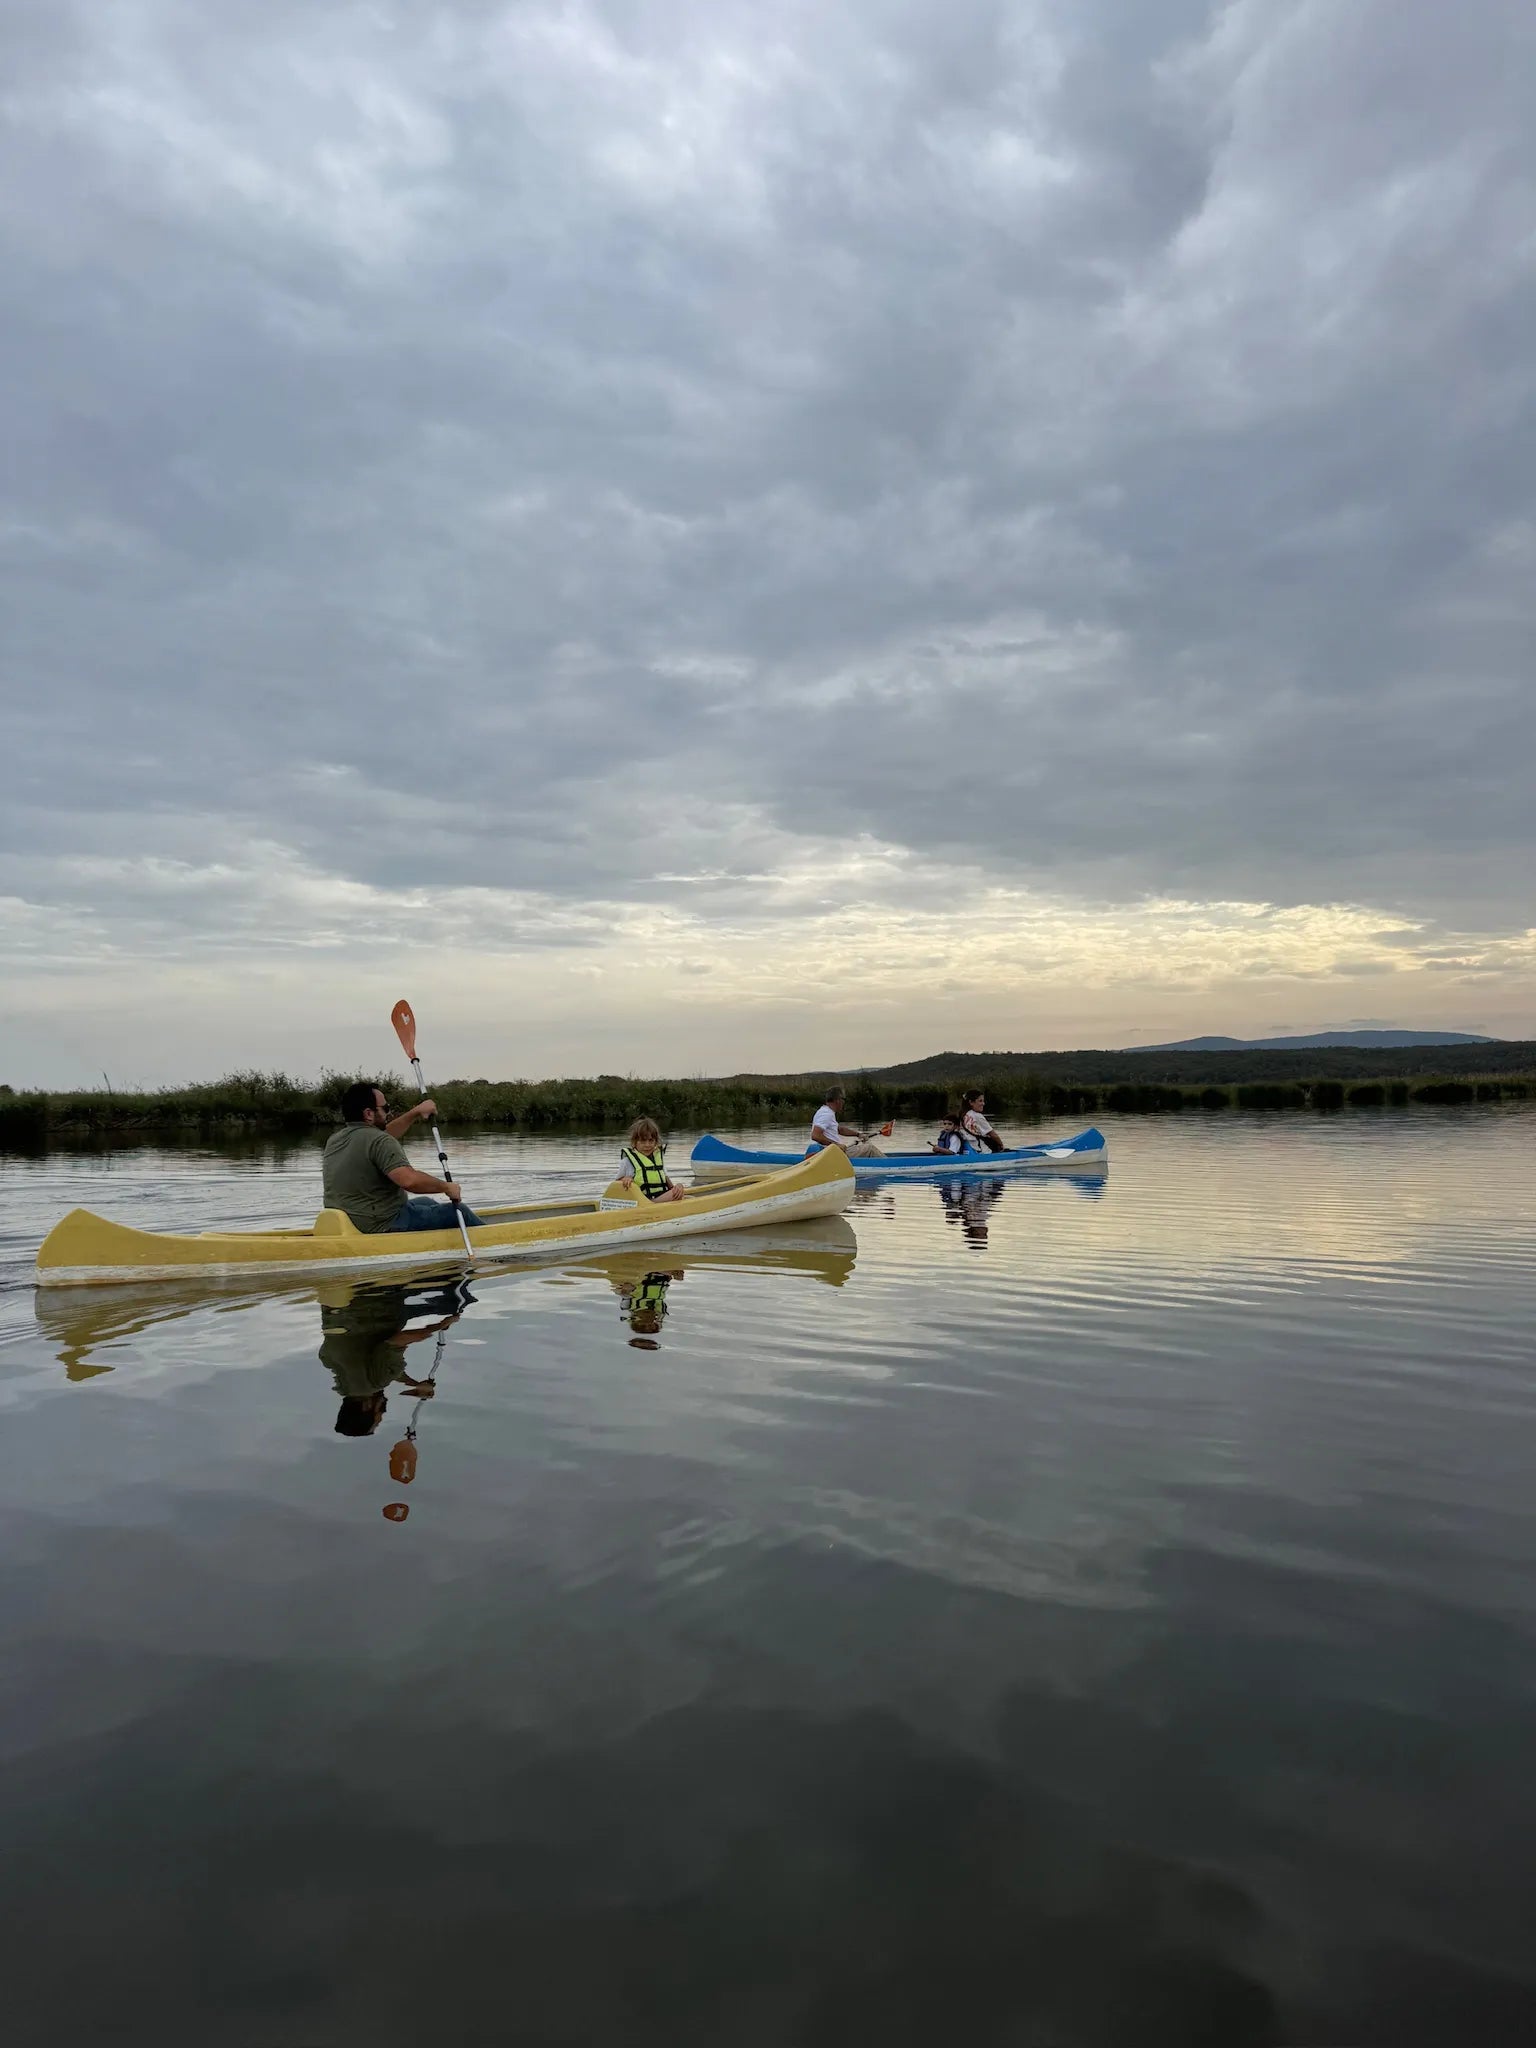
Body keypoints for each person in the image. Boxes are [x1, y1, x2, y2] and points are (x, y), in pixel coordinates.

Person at [322, 1081, 484, 1234]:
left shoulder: (335, 1140)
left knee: (427, 1202)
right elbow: (409, 1181)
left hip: (350, 1219)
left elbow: (382, 1138)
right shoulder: (379, 1141)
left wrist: (415, 1113)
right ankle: (490, 1239)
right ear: (369, 1113)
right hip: (381, 1224)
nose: (389, 1112)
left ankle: (439, 1239)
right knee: (457, 1211)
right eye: (385, 1108)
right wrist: (447, 1187)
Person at [319, 1279, 464, 1437]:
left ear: (366, 1407)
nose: (384, 1408)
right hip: (348, 1305)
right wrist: (413, 1383)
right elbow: (381, 1367)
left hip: (379, 1297)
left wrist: (441, 1325)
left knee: (456, 1301)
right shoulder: (342, 1381)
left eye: (380, 1413)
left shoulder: (376, 1382)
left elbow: (399, 1340)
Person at [617, 1118, 691, 1203]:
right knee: (677, 1195)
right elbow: (617, 1182)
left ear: (656, 1142)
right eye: (643, 1141)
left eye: (651, 1140)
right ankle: (653, 1204)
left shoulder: (658, 1159)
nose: (647, 1145)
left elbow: (666, 1179)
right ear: (634, 1142)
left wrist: (678, 1187)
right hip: (642, 1202)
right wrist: (625, 1179)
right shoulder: (627, 1161)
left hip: (660, 1197)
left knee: (687, 1196)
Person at [809, 1085, 884, 1159]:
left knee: (864, 1148)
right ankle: (891, 1166)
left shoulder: (826, 1111)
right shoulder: (826, 1114)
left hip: (834, 1151)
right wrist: (836, 1145)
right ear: (837, 1100)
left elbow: (840, 1129)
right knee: (870, 1149)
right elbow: (815, 1135)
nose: (844, 1102)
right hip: (834, 1154)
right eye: (843, 1099)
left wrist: (858, 1134)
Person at [957, 1086, 1007, 1154]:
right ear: (971, 1102)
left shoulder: (962, 1115)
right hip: (981, 1151)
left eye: (983, 1101)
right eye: (980, 1101)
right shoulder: (977, 1116)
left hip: (967, 1149)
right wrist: (1001, 1145)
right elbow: (993, 1135)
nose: (983, 1104)